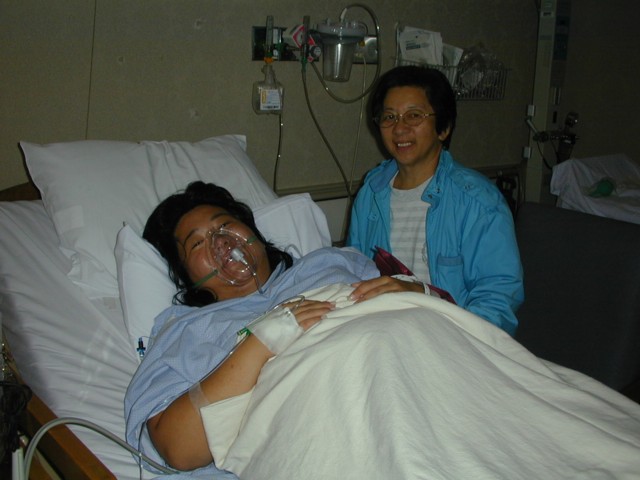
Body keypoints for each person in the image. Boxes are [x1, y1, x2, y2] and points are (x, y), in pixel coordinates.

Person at [125, 181, 380, 474]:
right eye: (197, 243)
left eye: (225, 225)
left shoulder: (329, 262)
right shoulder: (184, 332)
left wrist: (415, 290)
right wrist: (264, 340)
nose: (219, 241)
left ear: (254, 235)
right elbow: (178, 448)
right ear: (184, 274)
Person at [347, 65, 524, 335]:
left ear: (443, 128)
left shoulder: (477, 202)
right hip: (383, 333)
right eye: (390, 117)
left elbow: (497, 303)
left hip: (456, 340)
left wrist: (425, 297)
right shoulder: (371, 193)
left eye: (414, 116)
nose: (400, 129)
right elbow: (352, 272)